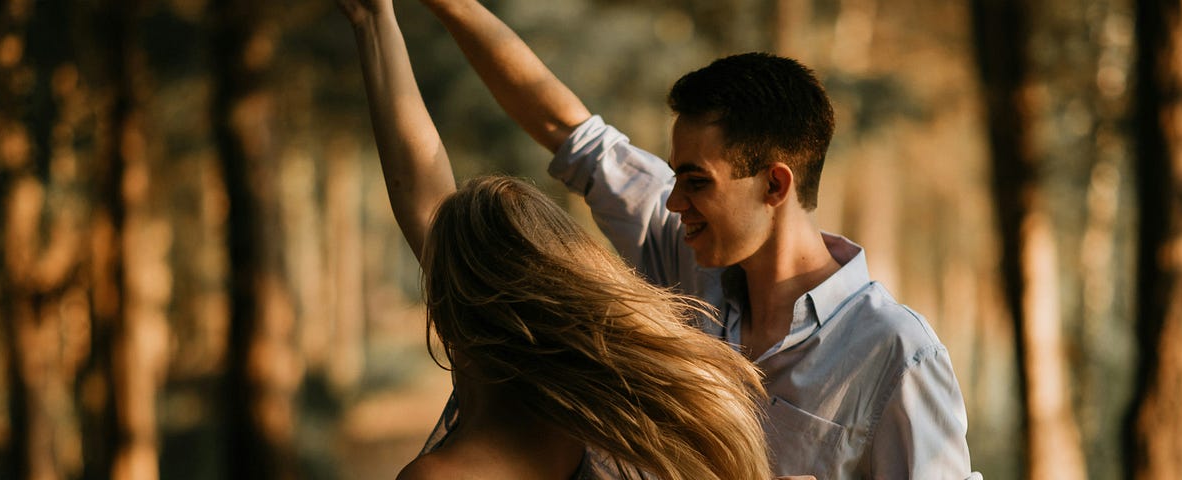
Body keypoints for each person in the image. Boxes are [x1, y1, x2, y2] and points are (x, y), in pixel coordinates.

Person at [411, 0, 981, 478]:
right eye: (674, 175)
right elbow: (569, 131)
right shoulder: (682, 259)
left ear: (775, 184)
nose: (672, 201)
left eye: (696, 182)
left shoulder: (898, 353)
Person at [336, 0, 777, 479]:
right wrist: (373, 19)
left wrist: (373, 21)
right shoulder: (611, 421)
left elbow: (422, 198)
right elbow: (425, 192)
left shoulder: (445, 472)